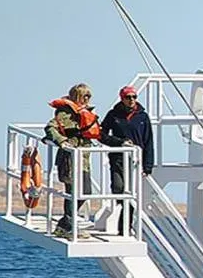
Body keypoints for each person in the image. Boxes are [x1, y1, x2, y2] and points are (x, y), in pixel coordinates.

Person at [44, 83, 102, 237]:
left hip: (84, 160)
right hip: (69, 159)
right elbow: (50, 128)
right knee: (73, 192)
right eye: (85, 96)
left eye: (89, 96)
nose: (87, 99)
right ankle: (69, 228)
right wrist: (61, 141)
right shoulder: (65, 113)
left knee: (85, 192)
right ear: (77, 96)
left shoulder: (87, 113)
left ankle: (63, 225)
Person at [98, 85, 154, 235]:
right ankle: (123, 217)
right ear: (122, 99)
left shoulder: (143, 116)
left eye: (134, 97)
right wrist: (119, 142)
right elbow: (101, 135)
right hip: (118, 158)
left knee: (132, 195)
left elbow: (148, 141)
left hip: (136, 161)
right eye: (128, 97)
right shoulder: (113, 115)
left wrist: (148, 166)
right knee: (118, 188)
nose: (132, 100)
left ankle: (125, 228)